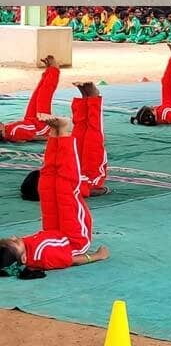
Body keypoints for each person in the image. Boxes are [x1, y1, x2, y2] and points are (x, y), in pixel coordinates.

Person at [0, 115, 110, 279]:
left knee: (46, 183)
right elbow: (72, 260)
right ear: (23, 258)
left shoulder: (20, 253)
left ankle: (54, 132)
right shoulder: (45, 258)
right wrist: (98, 256)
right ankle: (64, 133)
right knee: (66, 183)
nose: (16, 237)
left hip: (53, 228)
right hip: (75, 237)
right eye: (15, 241)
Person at [20, 81, 110, 201]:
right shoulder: (62, 183)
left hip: (83, 172)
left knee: (89, 135)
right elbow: (90, 190)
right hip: (80, 172)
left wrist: (103, 190)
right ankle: (89, 98)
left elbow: (93, 190)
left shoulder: (63, 182)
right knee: (88, 136)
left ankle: (89, 98)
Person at [130, 45, 171, 126]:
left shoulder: (157, 112)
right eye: (151, 109)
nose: (152, 107)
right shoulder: (168, 117)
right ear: (153, 115)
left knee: (165, 81)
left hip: (168, 103)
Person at [1, 56, 59, 143]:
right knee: (44, 93)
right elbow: (35, 137)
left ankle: (49, 71)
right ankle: (54, 70)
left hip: (30, 119)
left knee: (37, 93)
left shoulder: (8, 129)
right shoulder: (15, 133)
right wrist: (55, 135)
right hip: (41, 124)